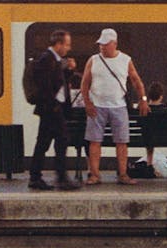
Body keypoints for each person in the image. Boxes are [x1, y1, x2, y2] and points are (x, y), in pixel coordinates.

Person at [80, 28, 149, 186]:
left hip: (119, 106)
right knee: (94, 141)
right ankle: (95, 174)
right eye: (100, 44)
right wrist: (88, 103)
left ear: (114, 44)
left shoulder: (125, 60)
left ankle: (123, 174)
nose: (102, 47)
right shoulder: (93, 60)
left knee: (121, 141)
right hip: (97, 105)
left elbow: (136, 81)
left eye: (105, 44)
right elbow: (84, 83)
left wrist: (143, 99)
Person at [27, 29, 78, 191]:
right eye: (67, 45)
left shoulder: (54, 60)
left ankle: (37, 177)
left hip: (52, 108)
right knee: (60, 140)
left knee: (45, 142)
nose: (68, 48)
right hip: (51, 109)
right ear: (58, 44)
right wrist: (54, 106)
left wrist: (69, 71)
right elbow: (46, 86)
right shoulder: (47, 59)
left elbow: (59, 83)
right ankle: (59, 178)